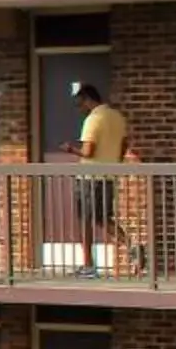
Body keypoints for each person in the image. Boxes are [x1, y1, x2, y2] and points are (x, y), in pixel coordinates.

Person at [71, 81, 130, 274]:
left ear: (88, 100)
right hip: (108, 176)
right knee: (103, 218)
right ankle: (132, 247)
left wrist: (69, 149)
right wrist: (115, 163)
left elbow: (88, 151)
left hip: (90, 176)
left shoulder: (93, 119)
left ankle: (88, 266)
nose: (79, 109)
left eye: (80, 104)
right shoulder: (117, 116)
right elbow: (124, 145)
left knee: (85, 220)